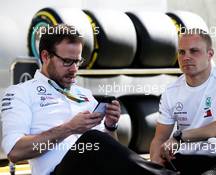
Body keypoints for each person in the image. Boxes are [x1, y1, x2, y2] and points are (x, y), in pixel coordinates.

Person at [1, 24, 176, 175]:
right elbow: (14, 152)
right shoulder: (20, 93)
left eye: (78, 62)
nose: (74, 69)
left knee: (98, 141)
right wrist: (69, 128)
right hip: (56, 171)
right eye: (67, 61)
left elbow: (113, 153)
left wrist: (110, 126)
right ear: (46, 56)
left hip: (94, 169)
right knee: (92, 139)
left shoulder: (84, 94)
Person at [150, 28, 216, 175]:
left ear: (210, 54)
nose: (186, 57)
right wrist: (155, 165)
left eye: (194, 51)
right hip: (182, 159)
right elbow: (159, 138)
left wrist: (180, 136)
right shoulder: (171, 90)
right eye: (182, 52)